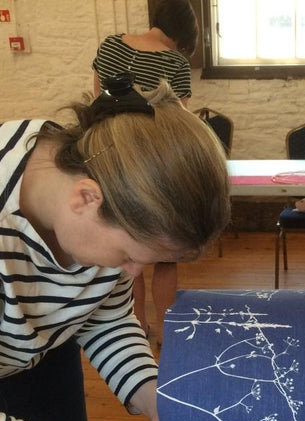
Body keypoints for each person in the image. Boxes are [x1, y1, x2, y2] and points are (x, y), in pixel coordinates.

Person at [0, 74, 230, 421]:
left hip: (40, 353)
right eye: (129, 254)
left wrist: (153, 394)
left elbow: (105, 316)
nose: (131, 273)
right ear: (86, 198)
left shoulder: (98, 173)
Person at [92, 0, 200, 345]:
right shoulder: (175, 62)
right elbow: (179, 122)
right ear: (183, 32)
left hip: (113, 162)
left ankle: (136, 325)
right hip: (158, 165)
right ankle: (167, 331)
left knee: (129, 250)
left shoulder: (110, 46)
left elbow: (97, 104)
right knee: (167, 253)